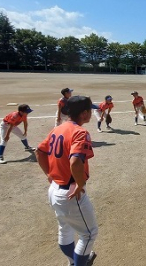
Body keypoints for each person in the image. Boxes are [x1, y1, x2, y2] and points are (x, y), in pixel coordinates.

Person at [36, 96, 98, 266]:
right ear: (84, 113)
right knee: (89, 234)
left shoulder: (58, 128)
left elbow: (39, 152)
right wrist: (80, 183)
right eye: (90, 110)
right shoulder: (80, 132)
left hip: (55, 190)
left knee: (65, 229)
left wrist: (49, 174)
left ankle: (72, 261)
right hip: (70, 193)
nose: (91, 113)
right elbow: (75, 161)